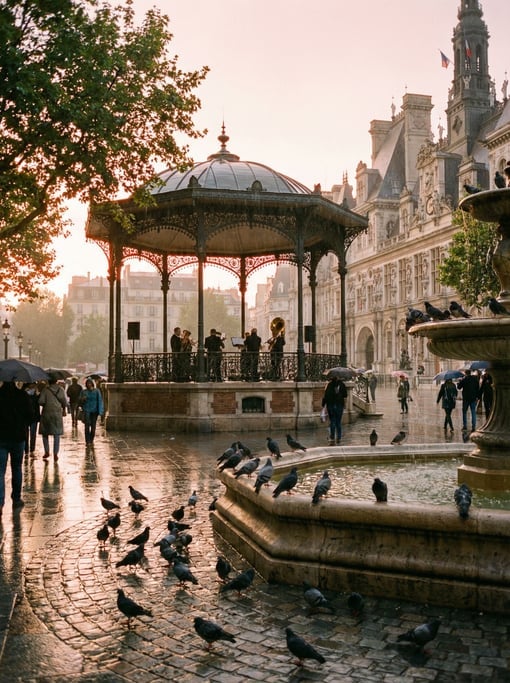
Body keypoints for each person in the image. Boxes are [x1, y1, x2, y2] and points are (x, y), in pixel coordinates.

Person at [0, 381, 33, 515]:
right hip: (18, 437)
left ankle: (0, 502)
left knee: (0, 470)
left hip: (1, 437)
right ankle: (16, 498)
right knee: (17, 468)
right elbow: (30, 416)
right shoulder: (22, 396)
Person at [39, 375, 68, 461]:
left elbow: (41, 401)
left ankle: (47, 451)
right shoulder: (61, 389)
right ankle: (55, 453)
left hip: (47, 413)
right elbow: (65, 402)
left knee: (45, 434)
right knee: (56, 434)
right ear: (56, 381)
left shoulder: (45, 390)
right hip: (57, 414)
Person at [322, 377, 347, 445]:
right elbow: (345, 395)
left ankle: (332, 436)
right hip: (339, 405)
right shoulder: (342, 384)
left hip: (331, 405)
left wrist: (323, 405)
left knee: (332, 421)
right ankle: (338, 437)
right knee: (338, 422)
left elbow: (326, 396)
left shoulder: (329, 385)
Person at [80, 378, 105, 446]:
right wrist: (83, 399)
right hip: (87, 410)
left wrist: (100, 411)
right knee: (87, 426)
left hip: (94, 411)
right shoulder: (84, 392)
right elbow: (80, 402)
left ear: (92, 384)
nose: (89, 384)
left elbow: (100, 401)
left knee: (93, 427)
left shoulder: (96, 391)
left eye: (90, 383)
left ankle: (91, 439)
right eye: (87, 383)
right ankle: (87, 441)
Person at [24, 382, 40, 457]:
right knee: (33, 434)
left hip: (26, 417)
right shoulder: (36, 395)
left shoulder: (23, 393)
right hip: (34, 417)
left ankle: (26, 449)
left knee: (26, 434)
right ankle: (32, 449)